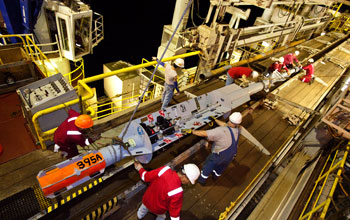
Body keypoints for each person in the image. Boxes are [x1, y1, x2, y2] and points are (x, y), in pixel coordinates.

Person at [135, 161, 200, 220]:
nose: (188, 183)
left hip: (147, 199)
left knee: (143, 208)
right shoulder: (178, 192)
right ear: (185, 176)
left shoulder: (164, 170)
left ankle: (139, 216)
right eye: (189, 180)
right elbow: (174, 213)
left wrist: (140, 168)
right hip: (158, 209)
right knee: (162, 216)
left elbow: (146, 177)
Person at [191, 112, 242, 185]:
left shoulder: (220, 131)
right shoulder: (237, 129)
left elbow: (205, 133)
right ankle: (215, 176)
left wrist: (192, 131)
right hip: (230, 156)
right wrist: (215, 120)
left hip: (218, 156)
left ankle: (202, 180)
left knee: (208, 166)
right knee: (221, 168)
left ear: (230, 119)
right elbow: (226, 125)